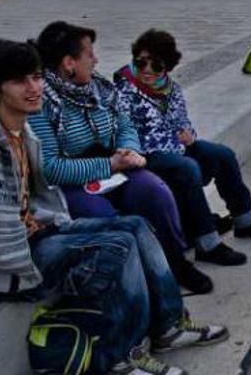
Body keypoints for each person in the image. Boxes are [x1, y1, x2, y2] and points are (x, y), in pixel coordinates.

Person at [0, 40, 228, 375]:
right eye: (20, 81)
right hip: (8, 264)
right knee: (117, 246)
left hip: (36, 236)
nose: (35, 88)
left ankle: (168, 326)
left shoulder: (20, 129)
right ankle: (120, 357)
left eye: (37, 77)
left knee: (136, 225)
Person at [26, 21, 212, 294]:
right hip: (73, 181)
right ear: (69, 63)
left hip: (114, 164)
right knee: (104, 217)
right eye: (89, 54)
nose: (96, 59)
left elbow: (124, 123)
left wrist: (129, 149)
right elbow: (51, 169)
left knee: (155, 192)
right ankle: (137, 285)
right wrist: (109, 164)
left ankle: (175, 263)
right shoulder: (43, 102)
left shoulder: (98, 87)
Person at [115, 29, 251, 267]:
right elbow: (125, 131)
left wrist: (190, 138)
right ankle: (207, 242)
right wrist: (168, 142)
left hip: (176, 147)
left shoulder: (170, 89)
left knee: (222, 154)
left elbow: (183, 121)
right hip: (147, 156)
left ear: (166, 66)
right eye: (140, 62)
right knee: (187, 168)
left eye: (155, 65)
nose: (146, 69)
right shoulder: (124, 91)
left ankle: (245, 220)